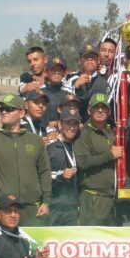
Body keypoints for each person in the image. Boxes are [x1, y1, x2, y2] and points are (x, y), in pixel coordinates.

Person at [0, 94, 51, 226]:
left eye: (9, 109)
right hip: (1, 209)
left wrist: (46, 201)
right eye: (2, 109)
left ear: (21, 113)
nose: (4, 111)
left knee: (32, 246)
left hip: (32, 208)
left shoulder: (35, 141)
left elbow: (44, 172)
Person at [74, 93, 120, 226]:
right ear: (89, 110)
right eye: (96, 107)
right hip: (92, 197)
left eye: (103, 107)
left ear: (109, 111)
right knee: (92, 242)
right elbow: (82, 162)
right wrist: (109, 155)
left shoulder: (113, 132)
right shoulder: (83, 133)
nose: (100, 110)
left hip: (112, 198)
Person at [47, 101, 81, 226]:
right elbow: (40, 176)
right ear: (60, 124)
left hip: (72, 206)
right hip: (53, 206)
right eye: (68, 123)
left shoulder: (79, 145)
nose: (72, 127)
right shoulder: (50, 145)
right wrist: (61, 176)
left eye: (75, 124)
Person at [64, 44, 110, 120]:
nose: (90, 59)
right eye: (86, 57)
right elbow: (65, 103)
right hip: (75, 124)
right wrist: (76, 86)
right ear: (80, 61)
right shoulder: (70, 79)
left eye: (93, 57)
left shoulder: (104, 82)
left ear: (98, 60)